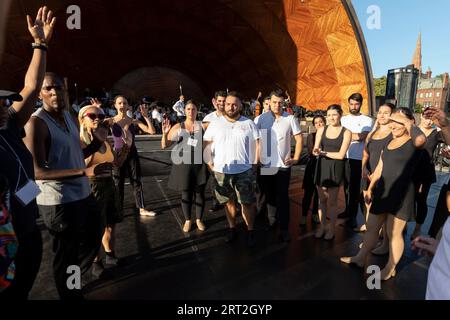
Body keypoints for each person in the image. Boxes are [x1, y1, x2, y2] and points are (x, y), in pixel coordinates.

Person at [24, 72, 111, 299]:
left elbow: (74, 155)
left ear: (65, 90)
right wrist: (84, 171)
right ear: (40, 93)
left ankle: (72, 278)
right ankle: (71, 292)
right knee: (67, 254)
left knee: (95, 232)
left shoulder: (69, 116)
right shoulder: (37, 123)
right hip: (59, 202)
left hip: (81, 194)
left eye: (58, 88)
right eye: (48, 89)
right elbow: (37, 172)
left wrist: (95, 145)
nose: (55, 92)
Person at [0, 6, 55, 300]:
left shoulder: (8, 126)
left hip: (27, 228)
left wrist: (40, 43)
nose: (4, 107)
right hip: (4, 239)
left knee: (23, 289)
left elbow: (32, 87)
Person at [340, 108, 426, 280]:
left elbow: (420, 139)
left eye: (398, 121)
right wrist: (371, 187)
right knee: (372, 228)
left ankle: (390, 268)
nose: (393, 125)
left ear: (409, 123)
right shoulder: (389, 141)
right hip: (383, 192)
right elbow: (380, 166)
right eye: (392, 121)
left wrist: (408, 122)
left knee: (394, 234)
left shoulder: (412, 141)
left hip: (402, 194)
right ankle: (359, 258)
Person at [203, 91, 260, 246]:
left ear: (240, 105)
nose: (231, 107)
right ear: (223, 105)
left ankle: (250, 231)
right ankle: (232, 229)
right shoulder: (215, 123)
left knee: (247, 203)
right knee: (228, 203)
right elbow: (207, 144)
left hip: (244, 171)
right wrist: (210, 164)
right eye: (228, 104)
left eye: (235, 104)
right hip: (222, 171)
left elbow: (257, 144)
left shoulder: (248, 123)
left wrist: (255, 164)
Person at [78, 105, 129, 267]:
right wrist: (96, 141)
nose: (97, 118)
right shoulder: (79, 141)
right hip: (91, 187)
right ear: (82, 119)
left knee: (110, 224)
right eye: (92, 116)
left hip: (108, 185)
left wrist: (126, 148)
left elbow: (116, 163)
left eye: (100, 115)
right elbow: (81, 165)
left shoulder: (104, 139)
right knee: (94, 228)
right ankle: (96, 262)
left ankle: (110, 254)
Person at [255, 89, 302, 242]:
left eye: (280, 102)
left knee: (283, 197)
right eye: (274, 102)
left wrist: (296, 158)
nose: (277, 105)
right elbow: (257, 141)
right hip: (267, 164)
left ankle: (284, 228)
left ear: (284, 103)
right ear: (270, 101)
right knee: (269, 195)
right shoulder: (261, 119)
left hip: (283, 165)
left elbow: (299, 139)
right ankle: (272, 221)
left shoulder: (290, 118)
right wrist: (257, 160)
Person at [161, 100, 209, 232]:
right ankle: (188, 220)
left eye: (193, 109)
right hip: (183, 166)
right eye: (188, 109)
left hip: (199, 166)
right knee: (186, 194)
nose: (191, 111)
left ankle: (199, 219)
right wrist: (164, 134)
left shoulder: (204, 126)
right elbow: (164, 145)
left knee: (200, 194)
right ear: (184, 111)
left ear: (197, 110)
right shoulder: (179, 127)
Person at [106, 96, 156, 217]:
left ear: (128, 105)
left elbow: (152, 131)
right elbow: (96, 132)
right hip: (117, 154)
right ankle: (119, 209)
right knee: (118, 182)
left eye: (124, 103)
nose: (122, 105)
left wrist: (145, 117)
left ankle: (142, 208)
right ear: (115, 105)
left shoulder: (133, 121)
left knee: (136, 180)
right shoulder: (111, 121)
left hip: (131, 153)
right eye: (120, 103)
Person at [359, 103, 394, 254]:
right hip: (368, 175)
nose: (382, 115)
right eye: (380, 112)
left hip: (384, 177)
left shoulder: (394, 134)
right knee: (369, 208)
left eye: (386, 113)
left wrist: (377, 174)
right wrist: (364, 168)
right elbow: (365, 154)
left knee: (384, 214)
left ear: (392, 115)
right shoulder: (372, 133)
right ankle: (370, 240)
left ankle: (385, 244)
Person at [313, 105, 352, 240]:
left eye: (334, 114)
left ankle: (331, 229)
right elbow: (315, 149)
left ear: (340, 115)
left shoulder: (346, 132)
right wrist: (316, 151)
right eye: (328, 115)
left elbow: (341, 155)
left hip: (336, 167)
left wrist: (323, 152)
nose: (331, 118)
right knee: (322, 200)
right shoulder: (321, 129)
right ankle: (322, 226)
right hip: (322, 166)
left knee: (333, 202)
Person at [339, 93, 373, 228]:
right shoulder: (343, 119)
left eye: (356, 104)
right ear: (348, 103)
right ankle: (348, 211)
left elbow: (362, 136)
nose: (354, 106)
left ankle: (354, 217)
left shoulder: (367, 120)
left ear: (361, 104)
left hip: (358, 159)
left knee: (356, 190)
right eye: (351, 104)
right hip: (344, 157)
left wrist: (345, 136)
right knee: (346, 188)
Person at [410, 112, 445, 239]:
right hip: (409, 169)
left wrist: (443, 122)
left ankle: (417, 229)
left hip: (425, 172)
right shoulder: (412, 129)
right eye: (426, 118)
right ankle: (400, 225)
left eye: (431, 119)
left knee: (421, 200)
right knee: (406, 199)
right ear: (421, 116)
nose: (428, 122)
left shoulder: (437, 133)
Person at [202, 91, 226, 213]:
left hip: (226, 155)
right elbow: (206, 139)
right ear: (214, 101)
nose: (221, 104)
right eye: (219, 101)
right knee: (214, 181)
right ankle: (215, 201)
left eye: (223, 101)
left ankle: (229, 202)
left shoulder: (230, 116)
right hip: (213, 155)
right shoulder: (208, 118)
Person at [300, 115, 325, 225]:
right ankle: (304, 215)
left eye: (321, 122)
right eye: (316, 123)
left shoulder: (329, 136)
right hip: (313, 166)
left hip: (324, 166)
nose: (319, 124)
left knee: (319, 194)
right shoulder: (311, 135)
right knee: (308, 193)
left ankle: (315, 214)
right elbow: (311, 150)